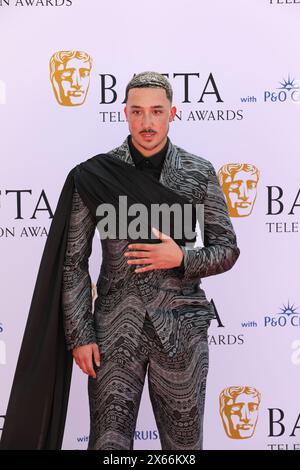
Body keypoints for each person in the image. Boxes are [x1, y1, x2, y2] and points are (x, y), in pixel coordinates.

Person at [0, 71, 239, 450]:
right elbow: (73, 262)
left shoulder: (199, 172)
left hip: (182, 330)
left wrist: (181, 258)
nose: (147, 123)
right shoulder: (95, 175)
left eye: (157, 111)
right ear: (124, 113)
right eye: (138, 112)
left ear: (172, 113)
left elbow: (226, 249)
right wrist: (80, 335)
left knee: (184, 447)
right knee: (109, 445)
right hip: (113, 333)